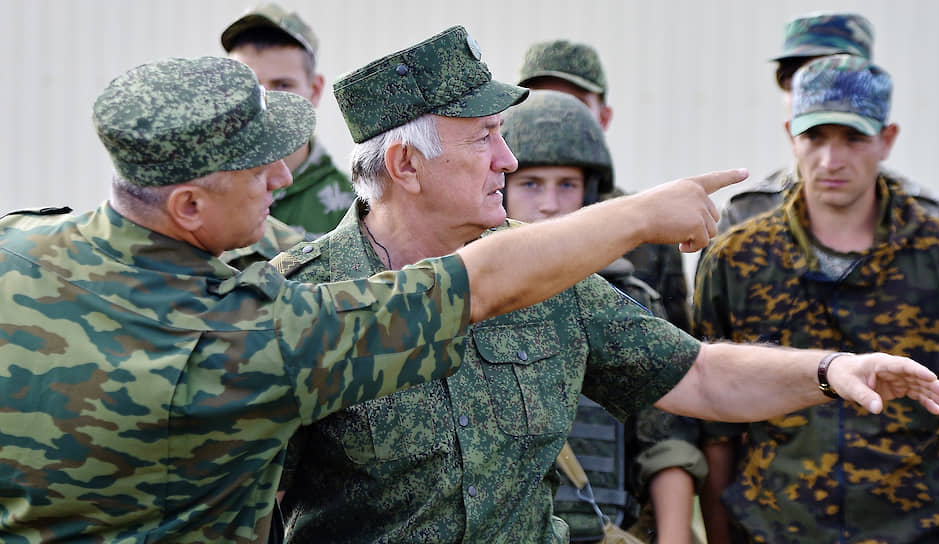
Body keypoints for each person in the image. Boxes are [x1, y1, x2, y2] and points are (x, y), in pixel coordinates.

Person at [0, 55, 749, 541]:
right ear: (190, 208)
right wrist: (645, 214)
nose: (283, 179)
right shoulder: (261, 332)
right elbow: (479, 286)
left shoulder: (14, 255)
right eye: (257, 169)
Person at [272, 26, 939, 544]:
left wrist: (833, 370)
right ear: (406, 165)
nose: (507, 160)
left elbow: (703, 375)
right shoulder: (299, 303)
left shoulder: (547, 277)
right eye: (483, 139)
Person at [694, 54, 939, 543]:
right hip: (773, 530)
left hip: (920, 531)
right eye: (815, 136)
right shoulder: (736, 261)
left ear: (887, 139)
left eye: (854, 138)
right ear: (790, 134)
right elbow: (715, 430)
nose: (831, 161)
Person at [501, 89, 706, 544]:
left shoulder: (628, 301)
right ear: (502, 189)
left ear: (591, 193)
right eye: (531, 184)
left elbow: (665, 441)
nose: (550, 204)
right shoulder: (465, 297)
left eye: (567, 185)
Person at [717, 11, 939, 231]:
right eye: (794, 77)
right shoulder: (746, 214)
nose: (817, 92)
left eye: (838, 73)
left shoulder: (930, 222)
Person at [517, 39, 690, 330]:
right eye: (540, 100)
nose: (555, 115)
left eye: (575, 105)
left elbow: (680, 347)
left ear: (604, 118)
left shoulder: (646, 231)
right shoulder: (477, 221)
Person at [221, 2, 356, 237]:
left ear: (314, 90)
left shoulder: (354, 208)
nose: (263, 101)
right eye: (247, 87)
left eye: (282, 86)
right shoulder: (201, 194)